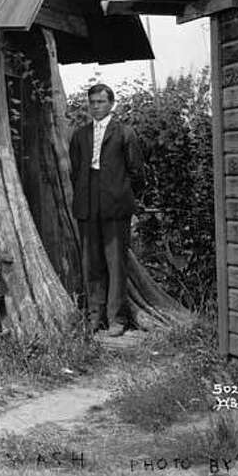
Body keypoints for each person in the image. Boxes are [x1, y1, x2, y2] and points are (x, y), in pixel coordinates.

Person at [69, 83, 144, 337]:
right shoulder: (80, 135)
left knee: (116, 263)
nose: (96, 106)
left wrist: (123, 197)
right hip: (88, 207)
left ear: (111, 103)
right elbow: (75, 171)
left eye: (100, 102)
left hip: (115, 206)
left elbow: (136, 172)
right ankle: (94, 317)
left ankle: (117, 319)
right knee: (92, 264)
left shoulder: (125, 133)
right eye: (92, 102)